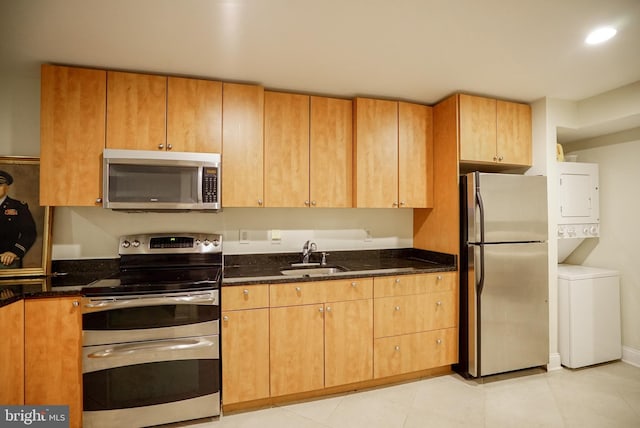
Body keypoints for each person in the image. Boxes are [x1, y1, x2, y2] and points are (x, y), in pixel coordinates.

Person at [0, 170, 36, 269]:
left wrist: (14, 252)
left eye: (0, 185)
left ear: (7, 187)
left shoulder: (18, 206)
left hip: (7, 261)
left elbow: (29, 233)